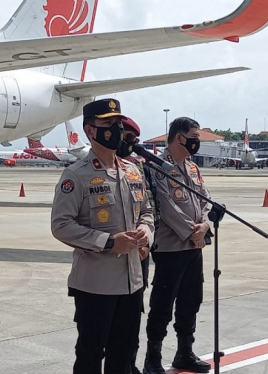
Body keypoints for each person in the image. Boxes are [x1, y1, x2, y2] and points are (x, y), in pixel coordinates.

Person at [51, 98, 154, 374]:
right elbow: (61, 225)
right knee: (90, 353)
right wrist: (108, 242)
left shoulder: (133, 171)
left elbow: (146, 211)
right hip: (95, 285)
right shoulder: (76, 175)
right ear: (90, 130)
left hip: (132, 281)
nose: (116, 129)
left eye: (118, 123)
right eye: (108, 123)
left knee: (125, 352)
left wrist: (146, 232)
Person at [143, 117, 212, 374]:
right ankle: (153, 358)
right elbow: (164, 204)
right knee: (162, 305)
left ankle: (185, 352)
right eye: (194, 135)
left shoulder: (192, 168)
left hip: (194, 247)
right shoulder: (157, 166)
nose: (197, 140)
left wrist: (204, 226)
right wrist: (190, 232)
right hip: (171, 248)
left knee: (190, 301)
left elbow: (206, 199)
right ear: (179, 136)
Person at [116, 117, 159, 374]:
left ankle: (130, 364)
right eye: (126, 138)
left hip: (138, 253)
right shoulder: (87, 169)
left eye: (133, 140)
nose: (130, 144)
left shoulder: (138, 168)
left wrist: (148, 243)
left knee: (133, 315)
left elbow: (150, 208)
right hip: (108, 257)